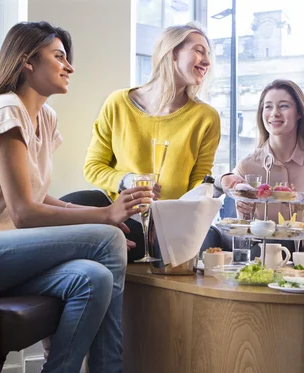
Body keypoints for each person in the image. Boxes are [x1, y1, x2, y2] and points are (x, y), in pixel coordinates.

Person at [0, 21, 151, 373]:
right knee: (109, 237)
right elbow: (25, 213)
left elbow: (38, 194)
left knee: (93, 277)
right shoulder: (4, 110)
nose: (70, 66)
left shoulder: (44, 119)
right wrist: (104, 217)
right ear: (27, 61)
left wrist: (91, 218)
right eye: (59, 56)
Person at [83, 22, 221, 262]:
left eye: (208, 54)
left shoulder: (206, 117)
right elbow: (93, 167)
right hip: (125, 220)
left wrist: (172, 219)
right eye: (199, 51)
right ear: (172, 52)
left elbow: (199, 180)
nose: (207, 61)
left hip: (175, 226)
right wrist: (128, 181)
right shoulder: (117, 104)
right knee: (78, 201)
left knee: (204, 242)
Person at [217, 80, 304, 252]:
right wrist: (243, 209)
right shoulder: (247, 166)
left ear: (299, 113)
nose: (274, 113)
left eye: (283, 106)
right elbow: (241, 230)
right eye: (268, 107)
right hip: (261, 253)